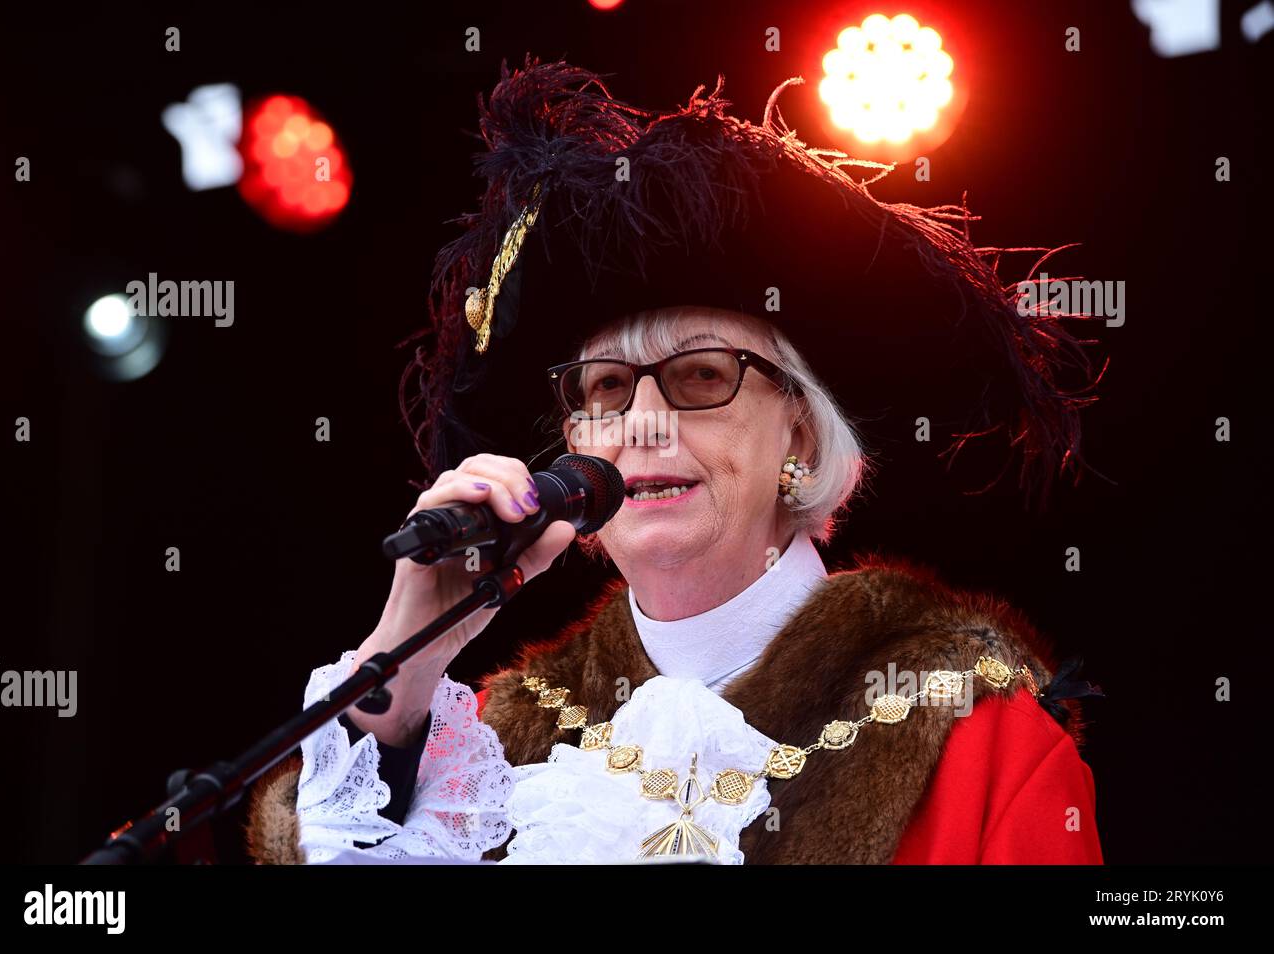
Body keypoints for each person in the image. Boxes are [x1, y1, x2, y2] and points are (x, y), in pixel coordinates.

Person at [245, 56, 1107, 865]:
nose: (645, 425)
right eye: (607, 387)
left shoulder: (979, 735)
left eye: (702, 375)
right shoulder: (493, 754)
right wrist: (409, 650)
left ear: (801, 439)